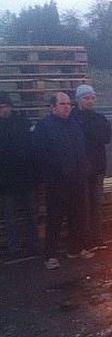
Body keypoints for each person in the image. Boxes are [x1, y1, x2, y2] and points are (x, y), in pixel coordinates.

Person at [32, 92, 94, 269]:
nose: (67, 107)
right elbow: (40, 155)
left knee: (78, 216)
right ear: (53, 107)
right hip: (57, 182)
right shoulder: (44, 127)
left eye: (69, 104)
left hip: (77, 179)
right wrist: (53, 173)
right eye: (62, 104)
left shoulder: (74, 125)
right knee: (55, 219)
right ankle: (50, 255)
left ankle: (75, 249)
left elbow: (82, 149)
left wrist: (84, 168)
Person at [71, 84, 112, 251]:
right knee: (83, 207)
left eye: (92, 98)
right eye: (86, 98)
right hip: (80, 169)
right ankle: (86, 241)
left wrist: (89, 133)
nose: (90, 101)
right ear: (79, 100)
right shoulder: (72, 118)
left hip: (97, 168)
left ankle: (98, 238)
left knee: (96, 206)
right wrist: (92, 134)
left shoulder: (98, 118)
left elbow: (106, 137)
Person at [0, 91, 39, 259]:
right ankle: (14, 247)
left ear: (10, 106)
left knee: (30, 214)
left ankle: (34, 244)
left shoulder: (23, 122)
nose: (2, 110)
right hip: (5, 181)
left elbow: (34, 148)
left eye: (4, 106)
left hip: (25, 178)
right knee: (10, 218)